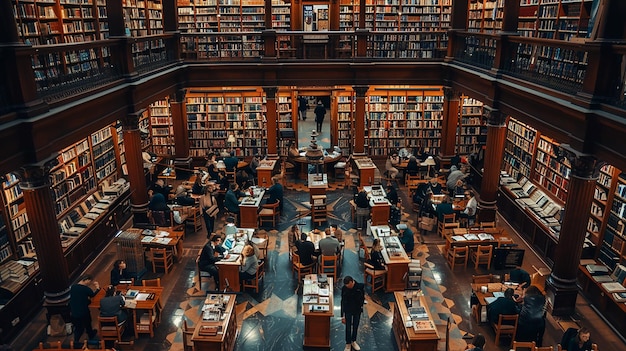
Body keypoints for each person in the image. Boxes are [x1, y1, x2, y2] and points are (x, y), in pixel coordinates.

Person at [70, 274, 100, 345]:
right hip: (83, 311)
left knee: (78, 327)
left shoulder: (73, 287)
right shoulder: (85, 289)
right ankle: (91, 335)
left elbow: (78, 298)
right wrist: (97, 288)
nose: (89, 283)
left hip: (74, 311)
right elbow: (92, 295)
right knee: (88, 323)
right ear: (86, 280)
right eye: (89, 281)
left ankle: (76, 341)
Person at [341, 276, 365, 351]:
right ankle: (348, 343)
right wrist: (342, 315)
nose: (348, 287)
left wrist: (361, 305)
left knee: (355, 326)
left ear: (352, 282)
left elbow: (362, 298)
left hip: (357, 310)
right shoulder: (344, 288)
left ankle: (353, 341)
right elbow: (343, 301)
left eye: (349, 285)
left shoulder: (360, 287)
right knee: (348, 327)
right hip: (348, 310)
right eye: (346, 286)